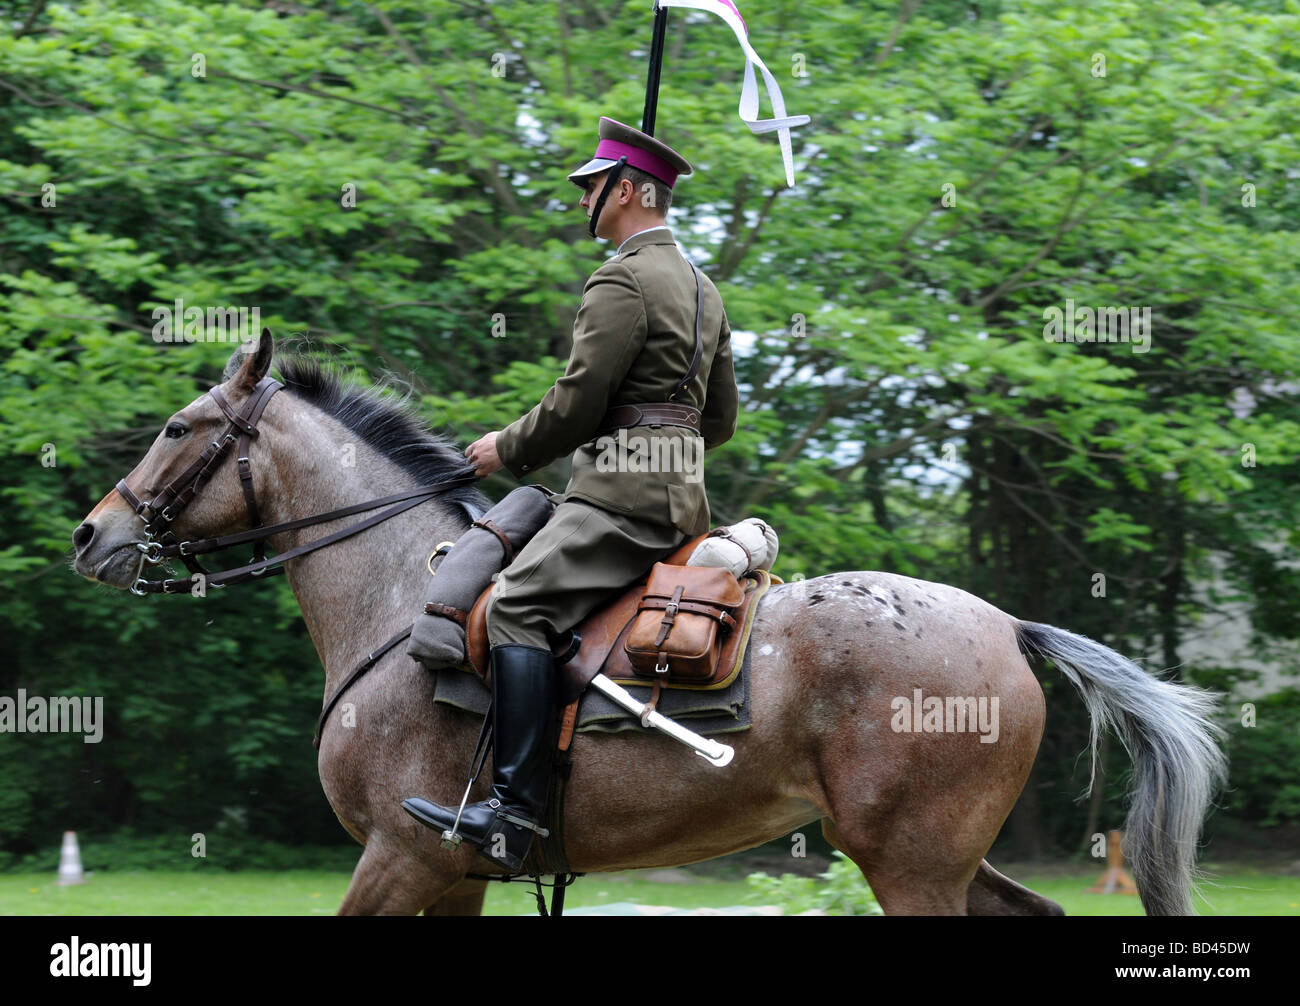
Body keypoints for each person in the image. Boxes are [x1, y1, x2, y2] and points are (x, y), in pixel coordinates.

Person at [402, 116, 739, 871]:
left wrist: (505, 448)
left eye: (590, 186)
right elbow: (719, 420)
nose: (582, 198)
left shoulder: (621, 278)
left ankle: (513, 814)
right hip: (682, 503)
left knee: (518, 608)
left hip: (620, 501)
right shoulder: (703, 287)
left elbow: (579, 401)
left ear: (625, 190)